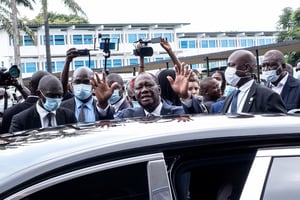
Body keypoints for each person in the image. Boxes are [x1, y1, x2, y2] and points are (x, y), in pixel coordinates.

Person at [92, 63, 205, 119]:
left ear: (159, 89)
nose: (144, 90)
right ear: (134, 93)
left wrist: (185, 96)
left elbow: (197, 119)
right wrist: (102, 104)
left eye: (149, 85)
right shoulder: (127, 116)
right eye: (139, 87)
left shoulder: (177, 113)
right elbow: (108, 127)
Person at [221, 49, 286, 114]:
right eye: (228, 65)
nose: (228, 70)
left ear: (246, 68)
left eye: (232, 65)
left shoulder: (268, 96)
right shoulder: (230, 97)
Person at [9, 75, 76, 132]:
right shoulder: (21, 120)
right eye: (52, 95)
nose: (56, 99)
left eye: (60, 95)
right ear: (39, 93)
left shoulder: (68, 116)